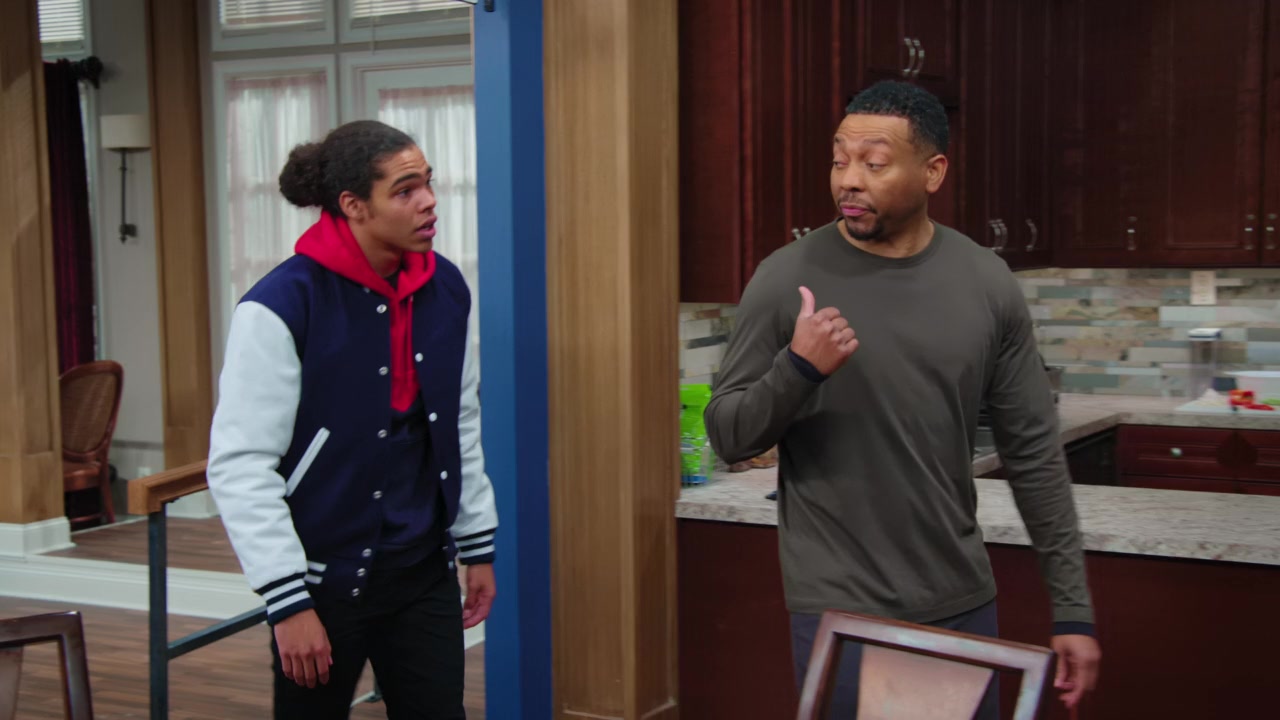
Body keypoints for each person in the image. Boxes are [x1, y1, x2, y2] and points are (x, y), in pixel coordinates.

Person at [704, 80, 1101, 717]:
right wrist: (797, 369)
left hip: (960, 600)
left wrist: (1073, 609)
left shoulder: (985, 281)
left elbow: (1034, 454)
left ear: (933, 172)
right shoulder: (786, 278)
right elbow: (728, 435)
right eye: (839, 160)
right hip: (839, 607)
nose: (848, 180)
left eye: (874, 163)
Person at [207, 119, 497, 719]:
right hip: (322, 583)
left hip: (423, 571)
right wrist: (287, 601)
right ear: (353, 205)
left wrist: (477, 544)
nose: (429, 201)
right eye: (405, 190)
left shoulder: (445, 287)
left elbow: (459, 423)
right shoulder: (279, 305)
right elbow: (241, 465)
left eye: (428, 183)